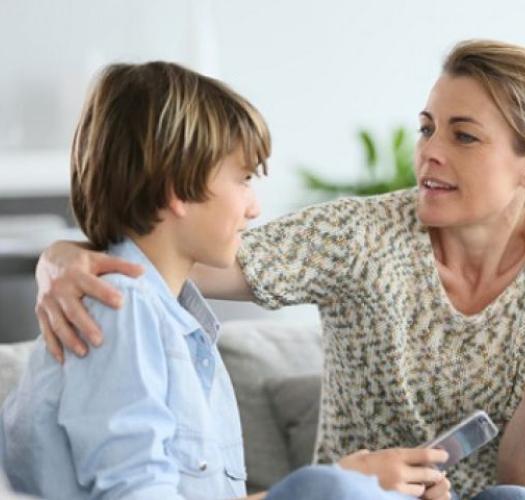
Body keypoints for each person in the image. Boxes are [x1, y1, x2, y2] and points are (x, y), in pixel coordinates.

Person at [33, 40, 525, 500]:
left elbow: (523, 474)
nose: (430, 152)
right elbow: (172, 249)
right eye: (427, 129)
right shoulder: (361, 235)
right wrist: (61, 258)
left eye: (464, 137)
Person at [0, 61, 445, 500]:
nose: (254, 207)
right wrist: (337, 487)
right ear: (178, 188)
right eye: (244, 179)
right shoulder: (121, 308)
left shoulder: (174, 320)